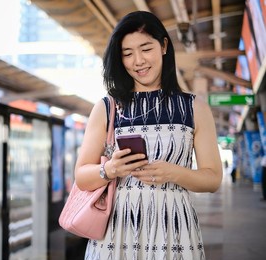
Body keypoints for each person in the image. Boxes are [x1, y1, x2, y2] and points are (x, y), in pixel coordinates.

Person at [74, 11, 223, 259]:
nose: (138, 61)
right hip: (117, 234)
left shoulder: (194, 107)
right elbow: (81, 176)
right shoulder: (107, 108)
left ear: (164, 46)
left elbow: (213, 178)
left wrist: (174, 173)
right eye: (128, 54)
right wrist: (110, 169)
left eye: (146, 49)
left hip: (175, 230)